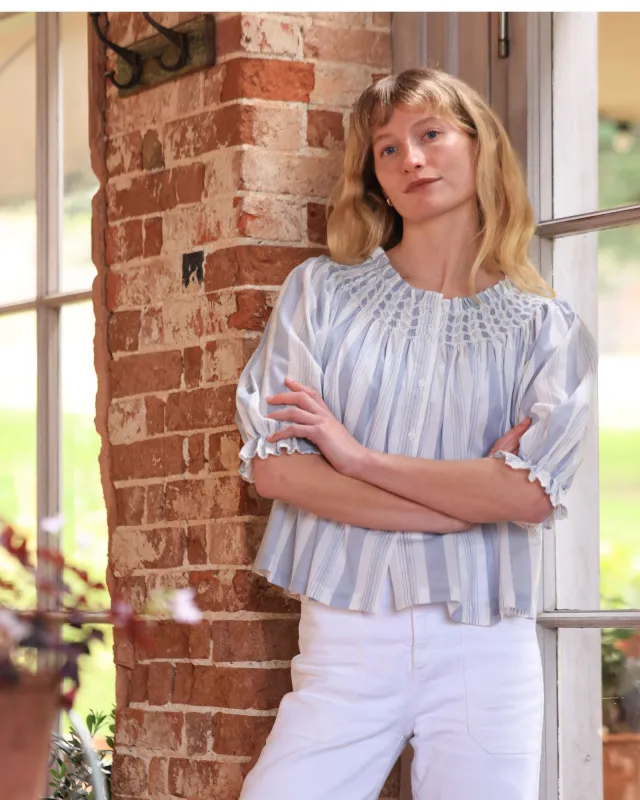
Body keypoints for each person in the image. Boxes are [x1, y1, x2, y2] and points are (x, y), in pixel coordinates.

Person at [234, 67, 596, 800]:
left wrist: (355, 458)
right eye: (388, 149)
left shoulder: (546, 329)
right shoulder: (321, 294)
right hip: (346, 636)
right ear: (374, 176)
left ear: (479, 146)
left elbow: (527, 495)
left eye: (430, 134)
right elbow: (278, 469)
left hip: (484, 647)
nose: (412, 160)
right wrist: (462, 503)